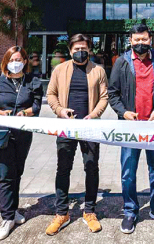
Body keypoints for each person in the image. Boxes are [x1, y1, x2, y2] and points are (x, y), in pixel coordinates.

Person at [108, 23, 154, 234]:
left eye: (144, 39)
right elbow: (112, 93)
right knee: (128, 171)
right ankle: (130, 211)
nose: (140, 43)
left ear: (150, 40)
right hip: (130, 127)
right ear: (130, 41)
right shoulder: (122, 62)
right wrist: (123, 112)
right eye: (136, 40)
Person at [46, 34, 109, 235]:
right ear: (70, 50)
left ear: (89, 49)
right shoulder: (60, 70)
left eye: (83, 48)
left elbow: (104, 96)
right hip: (66, 126)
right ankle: (62, 212)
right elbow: (51, 94)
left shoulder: (98, 70)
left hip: (90, 126)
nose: (79, 52)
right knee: (63, 168)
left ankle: (89, 211)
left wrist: (94, 114)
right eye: (75, 49)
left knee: (91, 167)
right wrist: (60, 111)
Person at [0, 46, 43, 241]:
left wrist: (25, 113)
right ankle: (6, 218)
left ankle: (13, 210)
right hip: (2, 134)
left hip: (23, 134)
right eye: (11, 59)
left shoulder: (33, 82)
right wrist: (2, 113)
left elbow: (37, 106)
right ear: (6, 61)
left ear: (25, 61)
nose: (15, 63)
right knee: (5, 175)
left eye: (19, 59)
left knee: (17, 173)